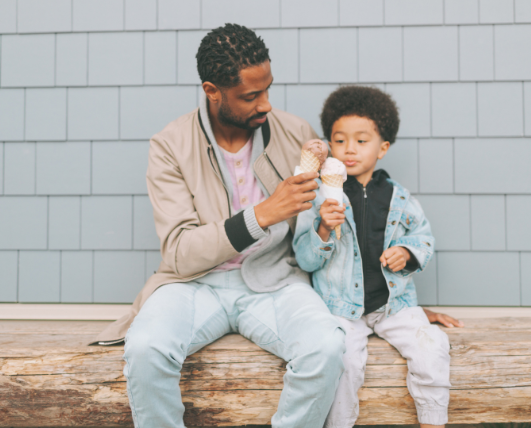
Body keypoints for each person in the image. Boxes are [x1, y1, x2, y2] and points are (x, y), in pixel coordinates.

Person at [93, 23, 346, 428]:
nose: (265, 104)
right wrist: (262, 214)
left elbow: (331, 217)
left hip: (276, 282)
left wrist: (396, 298)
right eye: (250, 96)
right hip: (195, 283)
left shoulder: (297, 133)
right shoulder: (170, 145)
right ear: (213, 91)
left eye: (267, 90)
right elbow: (180, 252)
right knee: (145, 348)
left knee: (327, 347)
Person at [293, 85, 463, 428]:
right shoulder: (320, 198)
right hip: (340, 308)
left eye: (361, 140)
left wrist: (407, 253)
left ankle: (433, 421)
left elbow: (423, 237)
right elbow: (306, 259)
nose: (349, 149)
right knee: (342, 363)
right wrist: (322, 228)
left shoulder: (398, 196)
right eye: (339, 140)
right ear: (329, 145)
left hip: (393, 304)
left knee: (432, 345)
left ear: (382, 148)